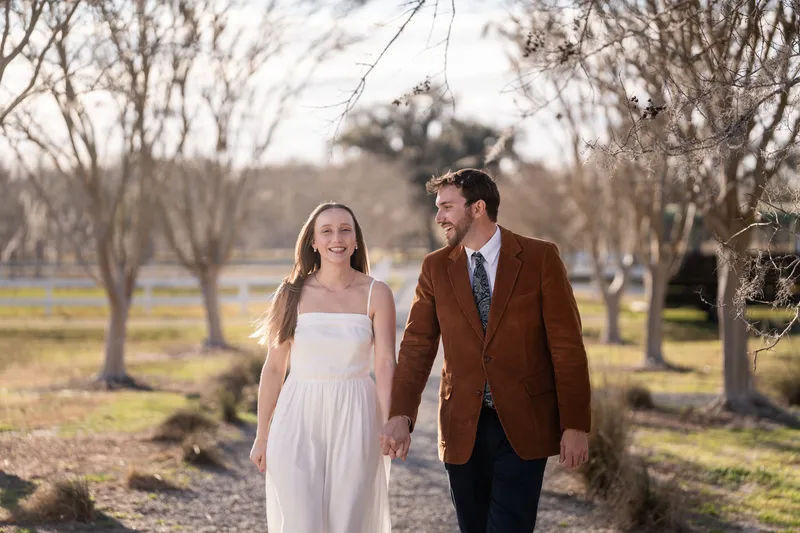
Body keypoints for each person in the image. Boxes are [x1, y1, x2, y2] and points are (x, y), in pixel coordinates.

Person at [380, 168, 592, 533]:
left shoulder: (540, 258)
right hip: (462, 424)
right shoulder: (435, 268)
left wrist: (575, 423)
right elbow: (417, 345)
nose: (439, 217)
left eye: (447, 207)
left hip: (525, 424)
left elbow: (567, 345)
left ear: (477, 208)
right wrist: (401, 414)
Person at [249, 202, 395, 533]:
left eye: (345, 230)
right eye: (326, 231)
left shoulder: (377, 293)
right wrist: (262, 435)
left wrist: (388, 422)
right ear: (313, 242)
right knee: (300, 523)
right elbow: (274, 368)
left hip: (356, 414)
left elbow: (385, 362)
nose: (337, 238)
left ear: (356, 240)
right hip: (296, 416)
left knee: (347, 523)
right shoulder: (290, 293)